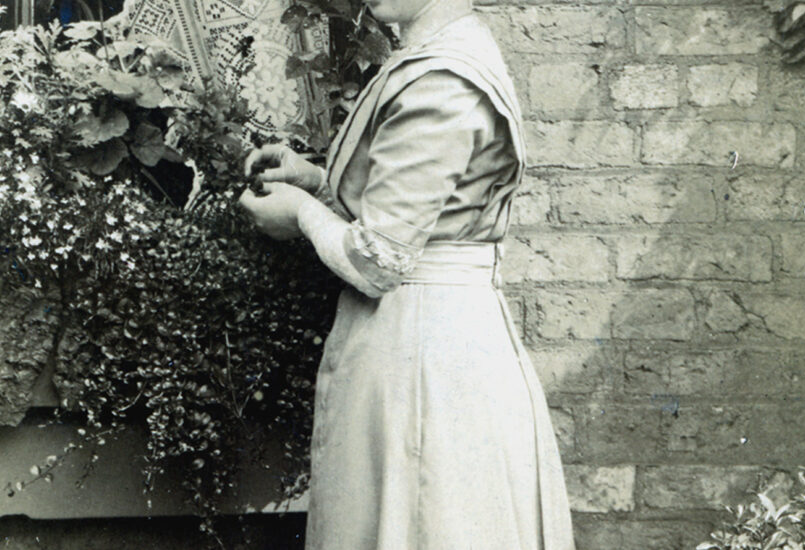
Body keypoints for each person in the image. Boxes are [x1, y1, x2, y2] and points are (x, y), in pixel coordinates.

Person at [236, 0, 576, 547]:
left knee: (427, 516)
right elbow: (415, 210)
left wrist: (300, 214)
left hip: (427, 353)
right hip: (424, 337)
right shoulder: (438, 53)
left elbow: (377, 260)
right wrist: (316, 183)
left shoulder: (443, 81)